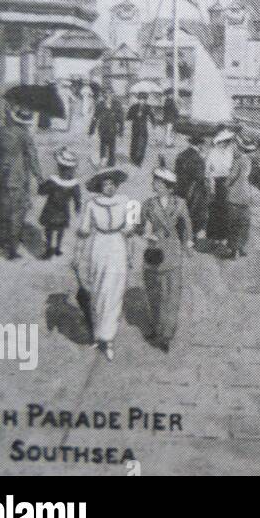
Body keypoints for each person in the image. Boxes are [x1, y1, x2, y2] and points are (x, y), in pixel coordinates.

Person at [75, 167, 135, 361]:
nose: (109, 187)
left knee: (115, 292)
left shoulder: (126, 202)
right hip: (99, 246)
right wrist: (77, 256)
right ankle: (97, 333)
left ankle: (107, 339)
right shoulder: (91, 205)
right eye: (105, 184)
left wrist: (131, 254)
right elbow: (84, 231)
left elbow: (130, 231)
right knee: (99, 291)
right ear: (99, 186)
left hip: (118, 247)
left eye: (112, 184)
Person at [138, 166, 191, 352]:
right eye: (154, 181)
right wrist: (146, 235)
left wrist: (187, 244)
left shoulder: (181, 204)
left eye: (158, 182)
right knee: (153, 292)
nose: (154, 184)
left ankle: (167, 335)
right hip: (154, 251)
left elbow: (187, 227)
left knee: (172, 294)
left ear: (169, 187)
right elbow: (140, 227)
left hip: (172, 251)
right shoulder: (148, 204)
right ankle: (156, 327)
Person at [0, 104, 43, 260]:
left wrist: (0, 159)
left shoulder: (0, 132)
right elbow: (33, 158)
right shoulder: (25, 135)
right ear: (25, 122)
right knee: (15, 214)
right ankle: (12, 250)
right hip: (18, 180)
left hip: (0, 177)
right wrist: (39, 176)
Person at [38, 147, 82, 258]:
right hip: (63, 211)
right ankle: (57, 248)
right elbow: (77, 198)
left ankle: (48, 248)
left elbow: (42, 192)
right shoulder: (74, 184)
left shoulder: (53, 181)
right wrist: (77, 208)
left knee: (49, 230)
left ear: (59, 167)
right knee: (60, 230)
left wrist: (41, 184)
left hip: (50, 209)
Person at [204, 129, 235, 254]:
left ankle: (222, 239)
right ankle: (213, 239)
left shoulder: (229, 153)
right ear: (219, 142)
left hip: (226, 184)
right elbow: (207, 170)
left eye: (227, 142)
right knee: (215, 211)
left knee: (225, 212)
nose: (226, 144)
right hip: (216, 183)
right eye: (224, 142)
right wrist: (210, 184)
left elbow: (231, 168)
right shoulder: (212, 153)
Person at [174, 135, 209, 241]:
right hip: (193, 191)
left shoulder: (181, 155)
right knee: (192, 213)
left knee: (179, 211)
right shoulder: (199, 159)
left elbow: (176, 172)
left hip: (180, 188)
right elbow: (200, 178)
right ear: (199, 145)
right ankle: (188, 237)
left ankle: (178, 234)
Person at [226, 136, 255, 257]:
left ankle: (235, 250)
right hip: (245, 196)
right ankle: (241, 247)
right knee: (244, 222)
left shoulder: (239, 161)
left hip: (235, 195)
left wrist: (226, 185)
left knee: (234, 222)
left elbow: (232, 177)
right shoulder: (248, 161)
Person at [91, 94, 121, 167]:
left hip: (112, 129)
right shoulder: (100, 104)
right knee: (103, 145)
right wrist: (91, 129)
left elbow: (120, 118)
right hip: (103, 129)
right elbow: (95, 117)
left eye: (110, 95)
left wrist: (121, 130)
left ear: (113, 95)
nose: (108, 97)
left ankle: (111, 162)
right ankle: (103, 160)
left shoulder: (117, 104)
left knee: (112, 146)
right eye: (106, 95)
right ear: (104, 96)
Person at [126, 93, 153, 167]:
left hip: (144, 129)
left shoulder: (148, 107)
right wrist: (135, 115)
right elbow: (128, 117)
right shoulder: (133, 107)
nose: (141, 101)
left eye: (143, 100)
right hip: (135, 128)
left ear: (145, 100)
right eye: (140, 99)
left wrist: (154, 124)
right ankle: (133, 157)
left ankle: (139, 160)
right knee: (134, 143)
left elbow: (152, 116)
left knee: (142, 144)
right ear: (138, 99)